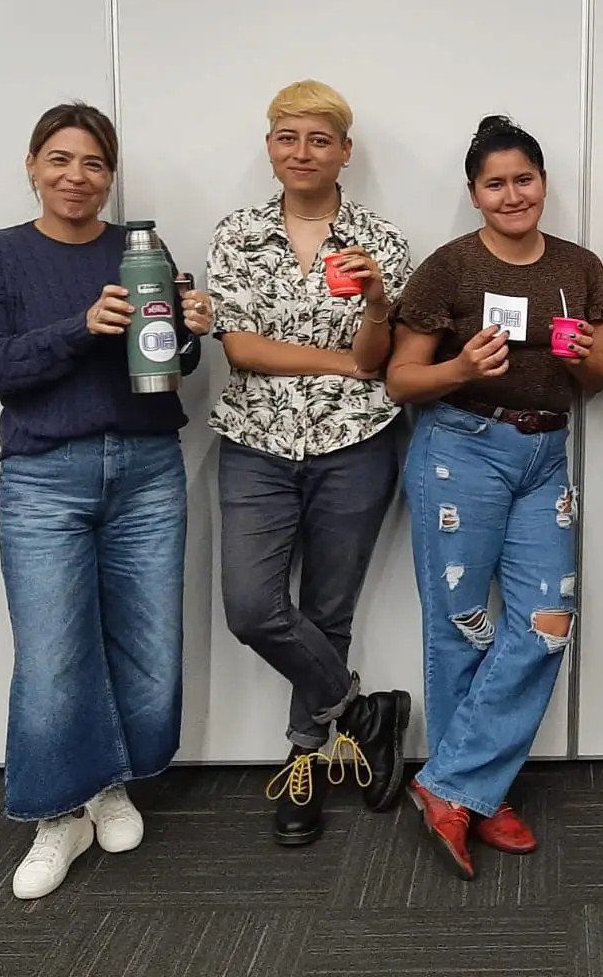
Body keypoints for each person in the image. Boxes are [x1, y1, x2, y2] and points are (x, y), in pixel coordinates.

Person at [0, 103, 213, 899]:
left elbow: (168, 362)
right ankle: (56, 811)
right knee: (50, 653)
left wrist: (195, 326)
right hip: (43, 475)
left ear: (110, 175)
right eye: (61, 160)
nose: (78, 176)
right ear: (32, 165)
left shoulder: (140, 250)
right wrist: (79, 326)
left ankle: (109, 783)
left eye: (94, 163)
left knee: (146, 643)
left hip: (146, 467)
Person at [388, 115, 603, 880]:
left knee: (548, 623)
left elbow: (601, 375)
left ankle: (456, 785)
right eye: (496, 183)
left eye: (525, 179)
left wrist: (587, 357)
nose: (513, 194)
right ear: (475, 193)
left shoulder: (580, 267)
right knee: (460, 627)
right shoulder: (448, 269)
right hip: (462, 449)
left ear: (544, 182)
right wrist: (461, 369)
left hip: (546, 455)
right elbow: (400, 379)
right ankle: (476, 791)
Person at [207, 79, 414, 847]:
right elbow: (241, 349)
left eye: (319, 139)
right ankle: (362, 709)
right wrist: (338, 362)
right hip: (255, 445)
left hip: (355, 445)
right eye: (288, 137)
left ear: (345, 153)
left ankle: (305, 758)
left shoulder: (381, 241)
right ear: (270, 148)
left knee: (329, 613)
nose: (302, 152)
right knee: (252, 609)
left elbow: (376, 361)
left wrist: (379, 306)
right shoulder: (235, 235)